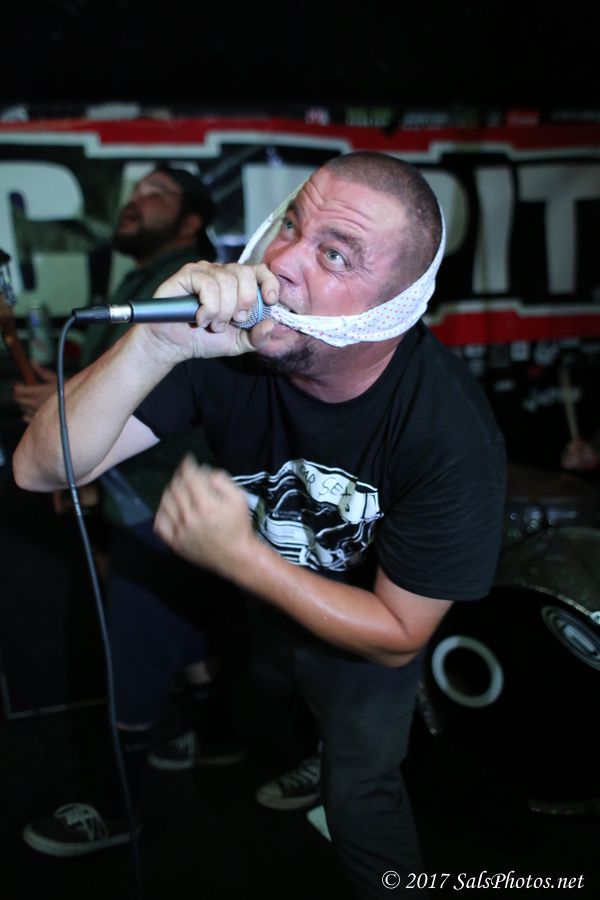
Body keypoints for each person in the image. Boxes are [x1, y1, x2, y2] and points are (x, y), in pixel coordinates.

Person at [13, 151, 506, 898]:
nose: (281, 263)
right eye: (292, 225)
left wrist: (242, 559)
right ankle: (308, 750)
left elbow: (400, 631)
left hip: (362, 637)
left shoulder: (449, 433)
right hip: (270, 610)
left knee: (360, 792)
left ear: (396, 307)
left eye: (334, 254)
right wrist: (154, 346)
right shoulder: (232, 349)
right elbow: (38, 468)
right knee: (270, 703)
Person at [14, 164, 244, 859]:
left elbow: (157, 396)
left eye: (156, 194)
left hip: (166, 495)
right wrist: (65, 407)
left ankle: (117, 813)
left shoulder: (190, 286)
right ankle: (220, 741)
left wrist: (68, 408)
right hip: (143, 490)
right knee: (181, 627)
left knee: (137, 653)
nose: (134, 201)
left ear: (191, 222)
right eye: (133, 191)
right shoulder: (140, 280)